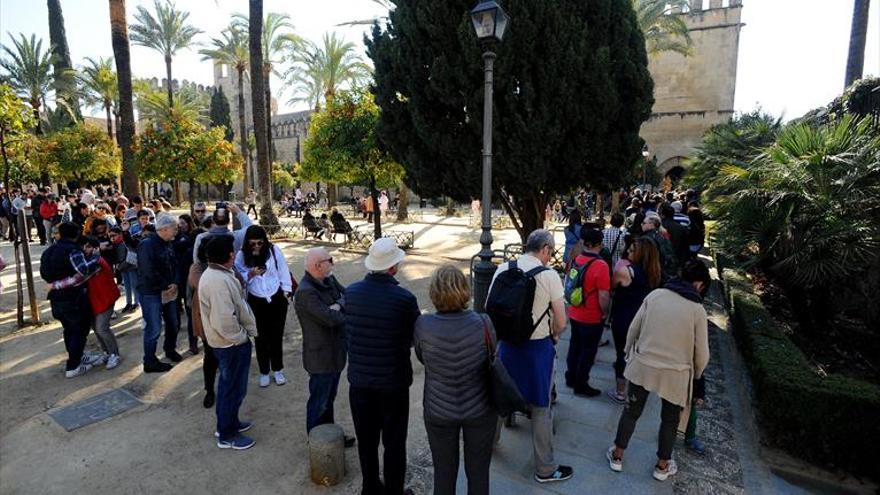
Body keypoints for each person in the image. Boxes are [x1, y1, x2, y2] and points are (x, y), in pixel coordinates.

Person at [607, 260, 711, 482]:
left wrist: (628, 352)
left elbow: (634, 327)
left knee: (631, 412)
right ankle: (662, 466)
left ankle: (617, 455)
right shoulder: (697, 310)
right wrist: (698, 374)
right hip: (676, 373)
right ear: (698, 283)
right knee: (670, 420)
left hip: (644, 366)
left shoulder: (655, 295)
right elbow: (701, 353)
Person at [491, 229, 573, 484]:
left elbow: (489, 306)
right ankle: (545, 469)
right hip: (537, 349)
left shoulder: (503, 268)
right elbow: (561, 320)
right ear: (546, 249)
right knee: (540, 407)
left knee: (500, 396)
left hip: (506, 346)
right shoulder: (549, 276)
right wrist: (555, 336)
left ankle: (489, 443)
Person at [345, 237, 421, 495]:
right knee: (394, 442)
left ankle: (370, 488)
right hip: (393, 382)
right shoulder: (404, 299)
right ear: (393, 267)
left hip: (360, 382)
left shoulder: (351, 293)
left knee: (366, 442)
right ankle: (394, 491)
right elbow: (414, 337)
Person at [415, 265, 495, 495]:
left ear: (434, 292)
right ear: (465, 290)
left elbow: (423, 358)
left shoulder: (423, 325)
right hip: (480, 407)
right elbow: (490, 356)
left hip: (439, 409)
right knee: (479, 473)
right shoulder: (483, 323)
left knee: (443, 473)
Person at [199, 235, 259, 450]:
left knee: (231, 387)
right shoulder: (217, 281)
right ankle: (227, 434)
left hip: (227, 343)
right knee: (231, 389)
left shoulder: (219, 274)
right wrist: (241, 336)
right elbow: (224, 320)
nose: (234, 254)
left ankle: (229, 423)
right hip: (230, 344)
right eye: (231, 251)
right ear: (227, 255)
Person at [294, 247, 354, 445]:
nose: (333, 262)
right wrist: (339, 307)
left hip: (335, 353)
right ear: (318, 265)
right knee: (319, 402)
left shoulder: (328, 279)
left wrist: (338, 304)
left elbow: (348, 296)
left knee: (328, 399)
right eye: (330, 259)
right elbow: (331, 319)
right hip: (321, 358)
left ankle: (330, 438)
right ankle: (317, 444)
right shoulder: (305, 292)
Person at [49, 236, 123, 369]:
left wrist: (56, 285)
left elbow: (80, 278)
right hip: (96, 300)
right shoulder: (87, 261)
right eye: (85, 246)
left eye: (89, 247)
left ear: (96, 248)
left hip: (105, 299)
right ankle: (106, 352)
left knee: (102, 328)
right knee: (97, 328)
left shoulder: (96, 262)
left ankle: (114, 354)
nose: (85, 249)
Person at [40, 222, 102, 378]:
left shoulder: (48, 251)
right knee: (79, 331)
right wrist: (96, 258)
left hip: (56, 299)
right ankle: (73, 366)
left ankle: (77, 356)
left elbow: (44, 274)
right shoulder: (73, 250)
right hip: (74, 298)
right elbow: (84, 270)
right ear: (76, 234)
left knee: (69, 330)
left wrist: (56, 283)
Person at [234, 225, 292, 388]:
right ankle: (264, 371)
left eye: (260, 243)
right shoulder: (241, 255)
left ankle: (278, 369)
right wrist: (251, 274)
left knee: (276, 336)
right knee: (260, 337)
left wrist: (286, 291)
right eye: (253, 244)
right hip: (256, 300)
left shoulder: (273, 251)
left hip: (276, 298)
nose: (257, 247)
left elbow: (283, 270)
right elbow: (239, 278)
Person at [606, 237, 661, 403]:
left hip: (624, 316)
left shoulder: (626, 271)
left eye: (631, 250)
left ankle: (621, 392)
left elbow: (612, 286)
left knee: (622, 353)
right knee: (635, 353)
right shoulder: (655, 273)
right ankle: (635, 386)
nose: (627, 252)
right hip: (644, 318)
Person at [565, 228, 611, 397]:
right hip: (591, 315)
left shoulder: (577, 259)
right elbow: (604, 295)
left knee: (574, 345)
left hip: (575, 311)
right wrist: (605, 313)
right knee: (588, 351)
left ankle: (570, 377)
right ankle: (581, 383)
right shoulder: (601, 265)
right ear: (599, 244)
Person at [137, 214, 181, 373]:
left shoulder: (168, 243)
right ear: (164, 229)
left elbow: (175, 264)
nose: (177, 231)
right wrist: (165, 286)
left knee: (173, 323)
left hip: (169, 290)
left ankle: (170, 349)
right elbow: (148, 270)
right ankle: (149, 361)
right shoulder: (147, 245)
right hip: (151, 293)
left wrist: (175, 282)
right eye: (174, 228)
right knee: (154, 329)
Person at [174, 214, 199, 354]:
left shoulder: (192, 240)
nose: (181, 225)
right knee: (189, 313)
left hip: (192, 282)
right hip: (184, 281)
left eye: (183, 223)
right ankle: (192, 342)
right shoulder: (178, 239)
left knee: (193, 315)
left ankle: (194, 342)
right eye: (180, 223)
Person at [641, 213, 676, 282]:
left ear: (651, 224)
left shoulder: (646, 239)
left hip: (651, 274)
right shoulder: (663, 236)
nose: (641, 224)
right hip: (662, 273)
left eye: (644, 223)